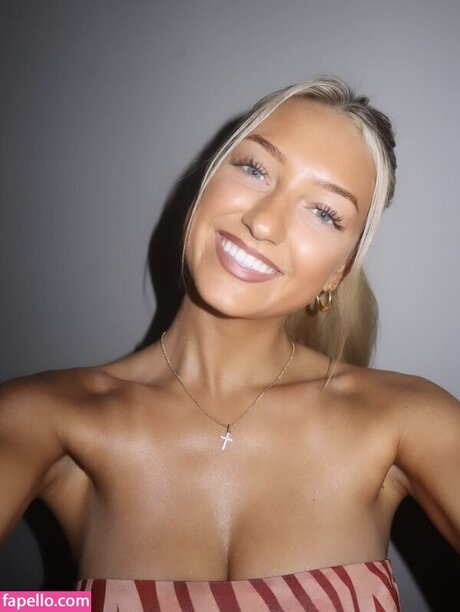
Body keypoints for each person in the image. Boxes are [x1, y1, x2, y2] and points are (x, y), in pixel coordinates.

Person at [0, 77, 459, 612]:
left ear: (338, 272)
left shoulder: (407, 420)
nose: (263, 222)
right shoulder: (45, 417)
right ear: (205, 185)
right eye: (254, 169)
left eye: (324, 212)